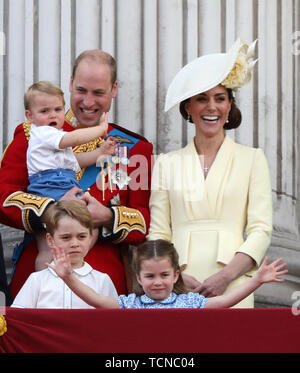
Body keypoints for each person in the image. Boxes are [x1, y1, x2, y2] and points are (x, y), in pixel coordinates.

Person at [0, 50, 153, 298]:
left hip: (103, 283)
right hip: (39, 281)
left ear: (114, 90)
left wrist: (107, 217)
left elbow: (144, 222)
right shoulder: (32, 133)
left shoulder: (135, 148)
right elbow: (3, 198)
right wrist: (53, 209)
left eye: (98, 93)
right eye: (81, 90)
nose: (88, 102)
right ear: (70, 84)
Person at [147, 38, 272, 307]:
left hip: (235, 283)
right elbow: (157, 233)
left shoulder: (252, 159)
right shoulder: (166, 163)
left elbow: (261, 230)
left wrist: (226, 276)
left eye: (220, 98)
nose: (211, 106)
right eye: (201, 99)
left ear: (229, 106)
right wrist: (175, 278)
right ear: (188, 108)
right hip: (177, 284)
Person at [24, 81, 120, 271]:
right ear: (30, 116)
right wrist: (101, 130)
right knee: (62, 238)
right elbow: (73, 139)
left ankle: (68, 270)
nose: (53, 115)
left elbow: (77, 161)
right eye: (45, 111)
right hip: (50, 188)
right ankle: (47, 282)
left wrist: (101, 151)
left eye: (58, 109)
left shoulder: (55, 137)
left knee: (51, 243)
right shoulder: (44, 133)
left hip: (61, 183)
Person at [47, 239, 287, 309]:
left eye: (164, 275)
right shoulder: (131, 304)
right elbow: (97, 300)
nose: (158, 282)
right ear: (139, 278)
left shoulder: (189, 303)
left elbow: (224, 301)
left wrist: (256, 280)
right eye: (150, 277)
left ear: (175, 276)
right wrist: (68, 277)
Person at [11, 200, 118, 308]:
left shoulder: (102, 281)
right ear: (50, 240)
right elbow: (19, 318)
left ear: (90, 237)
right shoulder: (37, 280)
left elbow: (114, 321)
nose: (75, 244)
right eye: (66, 237)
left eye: (82, 236)